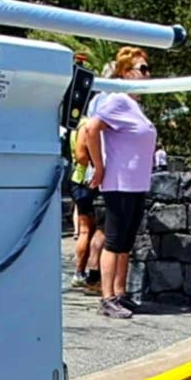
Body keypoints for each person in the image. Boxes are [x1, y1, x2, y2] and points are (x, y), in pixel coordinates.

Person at [87, 48, 156, 320]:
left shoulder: (134, 105)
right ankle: (106, 298)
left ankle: (119, 293)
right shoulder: (117, 100)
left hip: (136, 184)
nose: (148, 74)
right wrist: (99, 166)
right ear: (126, 73)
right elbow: (91, 128)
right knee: (114, 241)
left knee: (126, 242)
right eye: (143, 69)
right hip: (118, 182)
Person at [69, 108, 102, 294]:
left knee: (90, 228)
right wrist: (98, 166)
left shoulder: (76, 124)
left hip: (80, 180)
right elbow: (81, 156)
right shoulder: (85, 125)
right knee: (85, 230)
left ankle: (84, 272)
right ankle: (80, 273)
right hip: (83, 181)